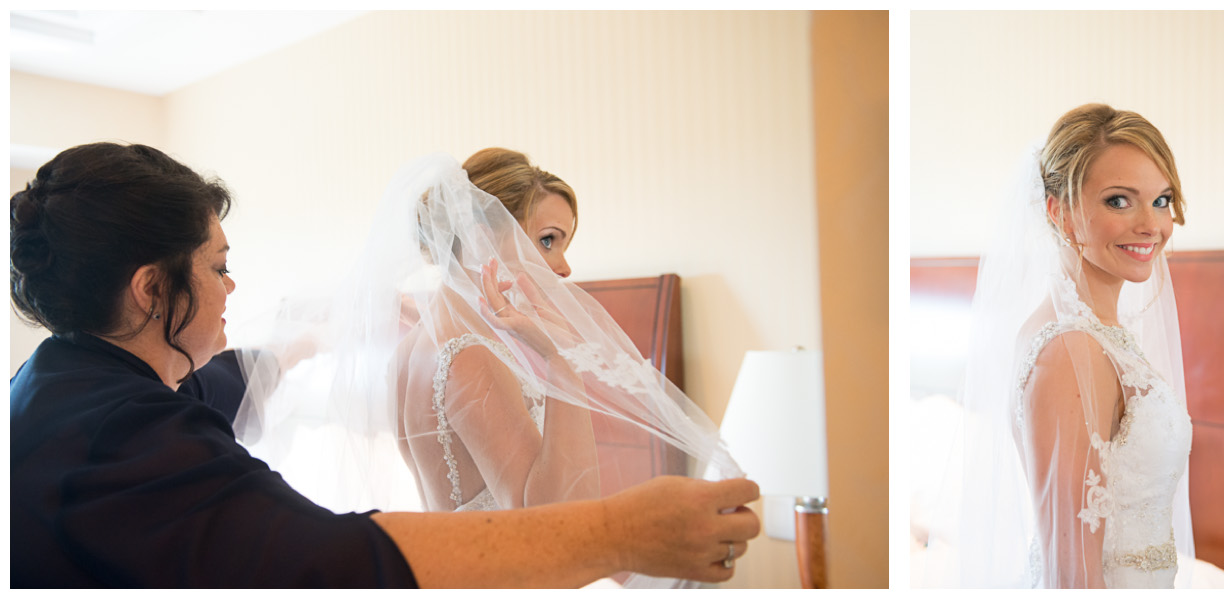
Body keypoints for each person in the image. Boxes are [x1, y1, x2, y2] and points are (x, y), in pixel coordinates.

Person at [9, 142, 760, 588]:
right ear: (150, 289)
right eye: (218, 265)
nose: (232, 287)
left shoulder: (62, 382)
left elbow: (214, 386)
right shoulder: (126, 438)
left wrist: (320, 333)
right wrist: (623, 531)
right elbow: (330, 556)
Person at [232, 148, 751, 588]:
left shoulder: (419, 342)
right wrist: (561, 361)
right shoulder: (468, 353)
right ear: (484, 233)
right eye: (548, 240)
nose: (565, 267)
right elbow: (555, 526)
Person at [924, 104, 1195, 588]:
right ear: (1060, 211)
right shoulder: (1069, 349)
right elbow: (1071, 573)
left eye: (1161, 199)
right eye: (1119, 201)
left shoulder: (1096, 333)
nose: (1152, 225)